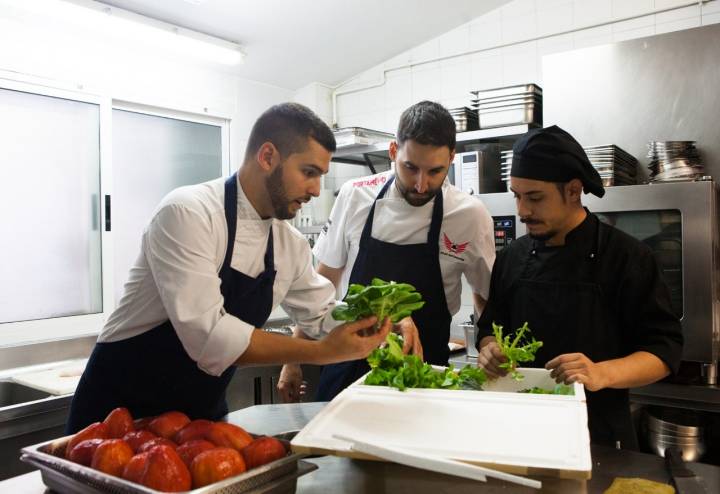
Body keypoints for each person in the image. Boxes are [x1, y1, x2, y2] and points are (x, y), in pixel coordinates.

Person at [66, 103, 392, 433]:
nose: (316, 189)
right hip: (117, 419)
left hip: (196, 421)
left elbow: (321, 314)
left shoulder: (287, 244)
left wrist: (382, 321)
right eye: (309, 172)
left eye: (321, 176)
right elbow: (209, 337)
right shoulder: (188, 213)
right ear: (268, 157)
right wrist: (320, 352)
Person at [474, 125, 683, 449]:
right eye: (517, 195)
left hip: (598, 436)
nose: (522, 211)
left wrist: (601, 373)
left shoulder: (628, 256)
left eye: (535, 197)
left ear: (573, 191)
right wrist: (490, 350)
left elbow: (663, 350)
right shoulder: (512, 257)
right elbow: (490, 327)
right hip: (520, 428)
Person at [278, 101, 496, 402]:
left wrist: (489, 350)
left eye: (435, 171)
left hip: (423, 371)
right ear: (393, 152)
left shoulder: (470, 215)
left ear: (452, 159)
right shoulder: (356, 195)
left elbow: (484, 295)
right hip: (346, 366)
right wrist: (293, 359)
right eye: (411, 168)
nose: (421, 185)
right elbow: (323, 282)